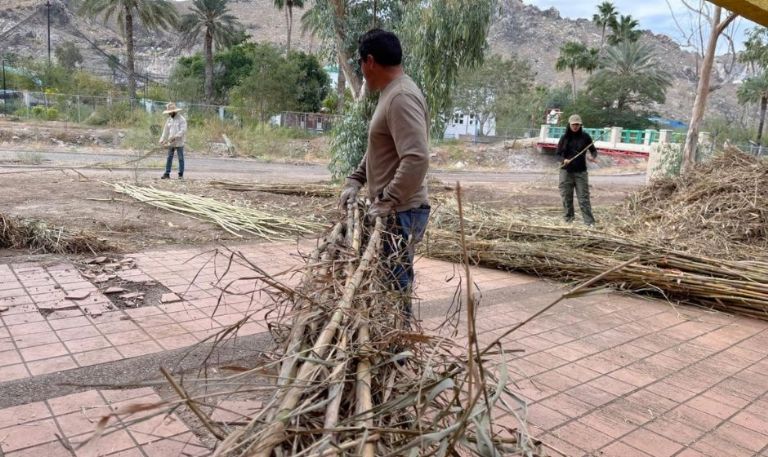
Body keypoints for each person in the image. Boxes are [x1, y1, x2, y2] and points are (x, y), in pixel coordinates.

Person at [337, 28, 430, 319]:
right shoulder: (391, 93)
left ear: (370, 61)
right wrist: (356, 178)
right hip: (394, 210)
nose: (362, 71)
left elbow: (416, 158)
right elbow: (380, 147)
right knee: (387, 282)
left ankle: (396, 347)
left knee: (395, 287)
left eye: (361, 64)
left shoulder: (401, 97)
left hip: (402, 212)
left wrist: (387, 200)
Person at [557, 114, 597, 225]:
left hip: (581, 172)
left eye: (577, 124)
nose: (575, 126)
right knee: (566, 197)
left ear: (580, 125)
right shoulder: (564, 138)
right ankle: (568, 220)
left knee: (583, 198)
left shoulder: (585, 137)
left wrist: (592, 157)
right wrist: (563, 159)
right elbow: (558, 154)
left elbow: (593, 150)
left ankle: (589, 223)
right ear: (569, 124)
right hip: (566, 171)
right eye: (573, 124)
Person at [159, 102, 187, 179]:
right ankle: (167, 174)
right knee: (169, 157)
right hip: (171, 142)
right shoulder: (169, 120)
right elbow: (165, 130)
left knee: (180, 158)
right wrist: (162, 139)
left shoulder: (182, 119)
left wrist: (176, 137)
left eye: (170, 112)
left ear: (174, 111)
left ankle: (180, 175)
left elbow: (183, 130)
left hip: (179, 142)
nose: (169, 114)